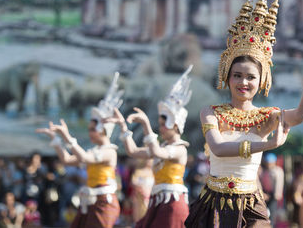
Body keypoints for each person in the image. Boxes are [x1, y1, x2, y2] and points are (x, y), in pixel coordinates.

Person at [184, 0, 303, 228]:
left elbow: (301, 115)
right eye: (237, 75)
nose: (243, 82)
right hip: (214, 205)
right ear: (227, 77)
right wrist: (267, 144)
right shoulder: (211, 112)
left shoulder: (266, 116)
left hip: (250, 206)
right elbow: (217, 147)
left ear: (261, 81)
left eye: (251, 77)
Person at [106, 66, 193, 228]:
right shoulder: (163, 147)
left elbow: (157, 152)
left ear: (175, 124)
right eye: (159, 124)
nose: (160, 128)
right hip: (158, 203)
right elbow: (132, 151)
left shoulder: (180, 149)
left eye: (162, 124)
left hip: (172, 204)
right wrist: (123, 127)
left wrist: (146, 124)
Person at [36, 72, 123, 228]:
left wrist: (67, 137)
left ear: (103, 130)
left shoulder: (109, 151)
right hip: (90, 201)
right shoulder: (95, 150)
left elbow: (83, 158)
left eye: (92, 129)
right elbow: (67, 160)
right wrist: (56, 141)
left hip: (103, 203)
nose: (89, 132)